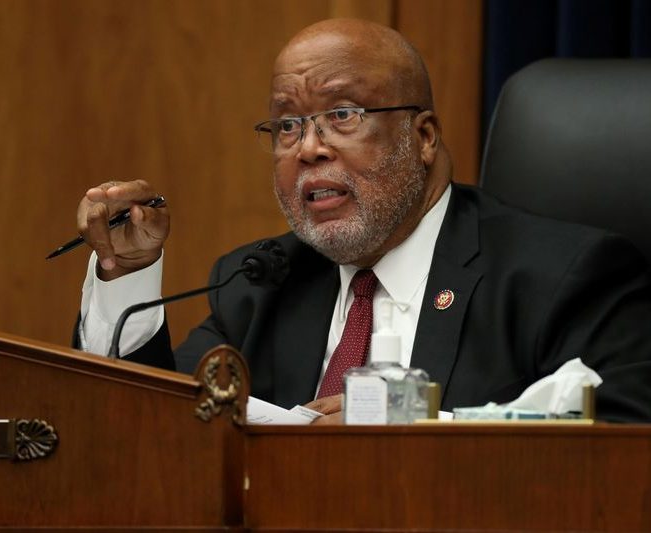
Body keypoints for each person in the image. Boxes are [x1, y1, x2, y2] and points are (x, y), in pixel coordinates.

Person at [73, 18, 651, 423]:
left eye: (343, 114)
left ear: (423, 137)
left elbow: (625, 438)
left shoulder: (563, 278)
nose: (308, 148)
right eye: (287, 125)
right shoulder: (259, 284)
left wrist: (413, 434)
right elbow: (154, 427)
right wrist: (128, 273)